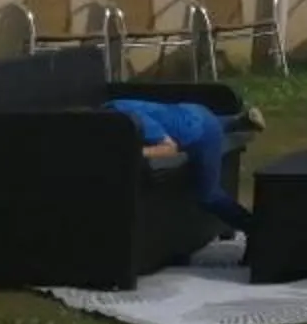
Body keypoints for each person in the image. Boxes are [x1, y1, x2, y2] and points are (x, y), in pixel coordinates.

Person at [103, 95, 265, 237]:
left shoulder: (138, 122)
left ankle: (254, 227)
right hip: (194, 111)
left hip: (201, 134)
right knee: (198, 122)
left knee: (208, 196)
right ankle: (239, 120)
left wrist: (134, 152)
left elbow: (169, 148)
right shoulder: (112, 106)